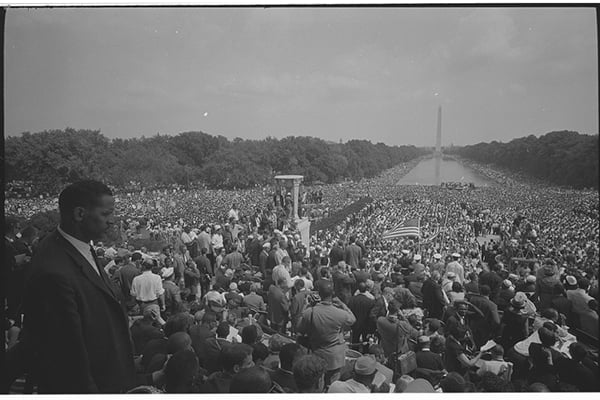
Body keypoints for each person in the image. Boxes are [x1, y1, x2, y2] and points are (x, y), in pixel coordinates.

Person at [22, 180, 136, 393]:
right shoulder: (53, 272)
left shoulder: (78, 245)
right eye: (105, 214)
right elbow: (69, 359)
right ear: (79, 214)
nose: (112, 221)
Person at [296, 280, 356, 386]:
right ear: (333, 293)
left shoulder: (310, 312)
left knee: (317, 383)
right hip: (335, 358)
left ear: (319, 294)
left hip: (317, 354)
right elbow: (352, 319)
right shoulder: (340, 313)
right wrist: (342, 305)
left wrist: (308, 306)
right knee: (332, 385)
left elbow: (299, 328)